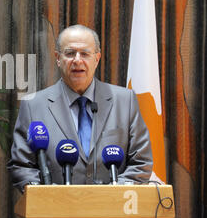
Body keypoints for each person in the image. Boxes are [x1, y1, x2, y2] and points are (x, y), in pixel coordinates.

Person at [8, 24, 152, 191]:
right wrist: (48, 193)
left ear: (97, 59)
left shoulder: (125, 101)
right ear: (57, 58)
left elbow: (141, 161)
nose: (77, 60)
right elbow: (21, 166)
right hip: (56, 211)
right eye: (70, 53)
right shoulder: (33, 105)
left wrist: (111, 195)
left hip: (112, 212)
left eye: (85, 53)